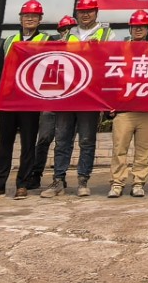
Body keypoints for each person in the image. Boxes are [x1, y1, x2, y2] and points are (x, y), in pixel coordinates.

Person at [0, 0, 49, 200]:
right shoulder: (8, 41)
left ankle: (23, 184)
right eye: (26, 15)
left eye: (34, 16)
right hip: (8, 99)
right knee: (5, 143)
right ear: (20, 19)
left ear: (40, 19)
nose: (30, 19)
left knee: (28, 144)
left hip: (30, 100)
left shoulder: (47, 40)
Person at [39, 15, 104, 198]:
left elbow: (107, 62)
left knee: (86, 141)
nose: (86, 14)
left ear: (96, 12)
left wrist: (99, 48)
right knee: (62, 140)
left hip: (89, 98)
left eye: (90, 10)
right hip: (66, 98)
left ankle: (83, 181)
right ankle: (58, 181)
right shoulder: (64, 40)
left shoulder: (105, 34)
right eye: (82, 10)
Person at [106, 10, 148, 197]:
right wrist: (109, 104)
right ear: (130, 28)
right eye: (135, 27)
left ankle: (138, 182)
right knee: (119, 149)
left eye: (142, 27)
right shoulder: (120, 49)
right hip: (124, 109)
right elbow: (110, 78)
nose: (138, 30)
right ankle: (117, 183)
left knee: (144, 149)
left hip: (147, 109)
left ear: (147, 29)